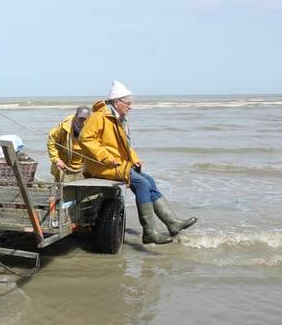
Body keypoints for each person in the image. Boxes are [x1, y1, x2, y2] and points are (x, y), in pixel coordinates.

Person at [80, 80, 197, 244]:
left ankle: (172, 223)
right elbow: (86, 139)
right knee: (141, 183)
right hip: (103, 166)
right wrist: (106, 157)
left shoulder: (119, 118)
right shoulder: (100, 116)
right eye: (127, 103)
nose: (130, 106)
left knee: (148, 180)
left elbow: (125, 146)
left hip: (119, 164)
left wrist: (134, 159)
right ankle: (149, 232)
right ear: (117, 102)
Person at [47, 105, 91, 182]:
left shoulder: (92, 128)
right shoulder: (65, 127)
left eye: (84, 119)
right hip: (64, 164)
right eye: (80, 118)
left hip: (82, 165)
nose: (82, 121)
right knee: (61, 189)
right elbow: (51, 140)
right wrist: (57, 160)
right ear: (76, 116)